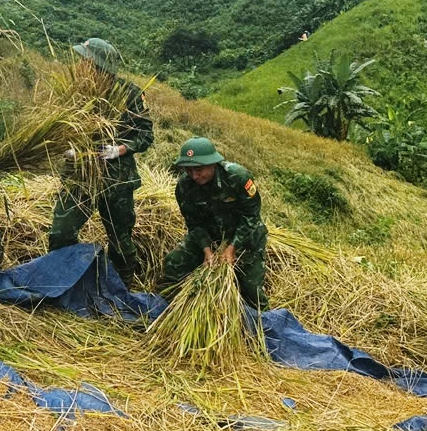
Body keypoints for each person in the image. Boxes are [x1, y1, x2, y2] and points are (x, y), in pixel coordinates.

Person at [47, 38, 153, 282]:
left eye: (85, 61)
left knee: (120, 240)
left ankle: (122, 286)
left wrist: (120, 150)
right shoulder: (75, 91)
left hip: (116, 178)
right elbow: (60, 127)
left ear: (98, 66)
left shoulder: (130, 94)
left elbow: (146, 135)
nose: (80, 66)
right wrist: (68, 147)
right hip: (80, 175)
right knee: (61, 232)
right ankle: (63, 281)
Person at [161, 136, 269, 310]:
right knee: (173, 262)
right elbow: (194, 223)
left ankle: (262, 321)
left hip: (245, 236)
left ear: (213, 164)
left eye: (199, 169)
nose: (194, 175)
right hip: (211, 236)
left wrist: (232, 247)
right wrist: (206, 249)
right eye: (188, 170)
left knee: (251, 291)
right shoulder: (184, 186)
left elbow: (251, 216)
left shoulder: (237, 177)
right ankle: (171, 308)